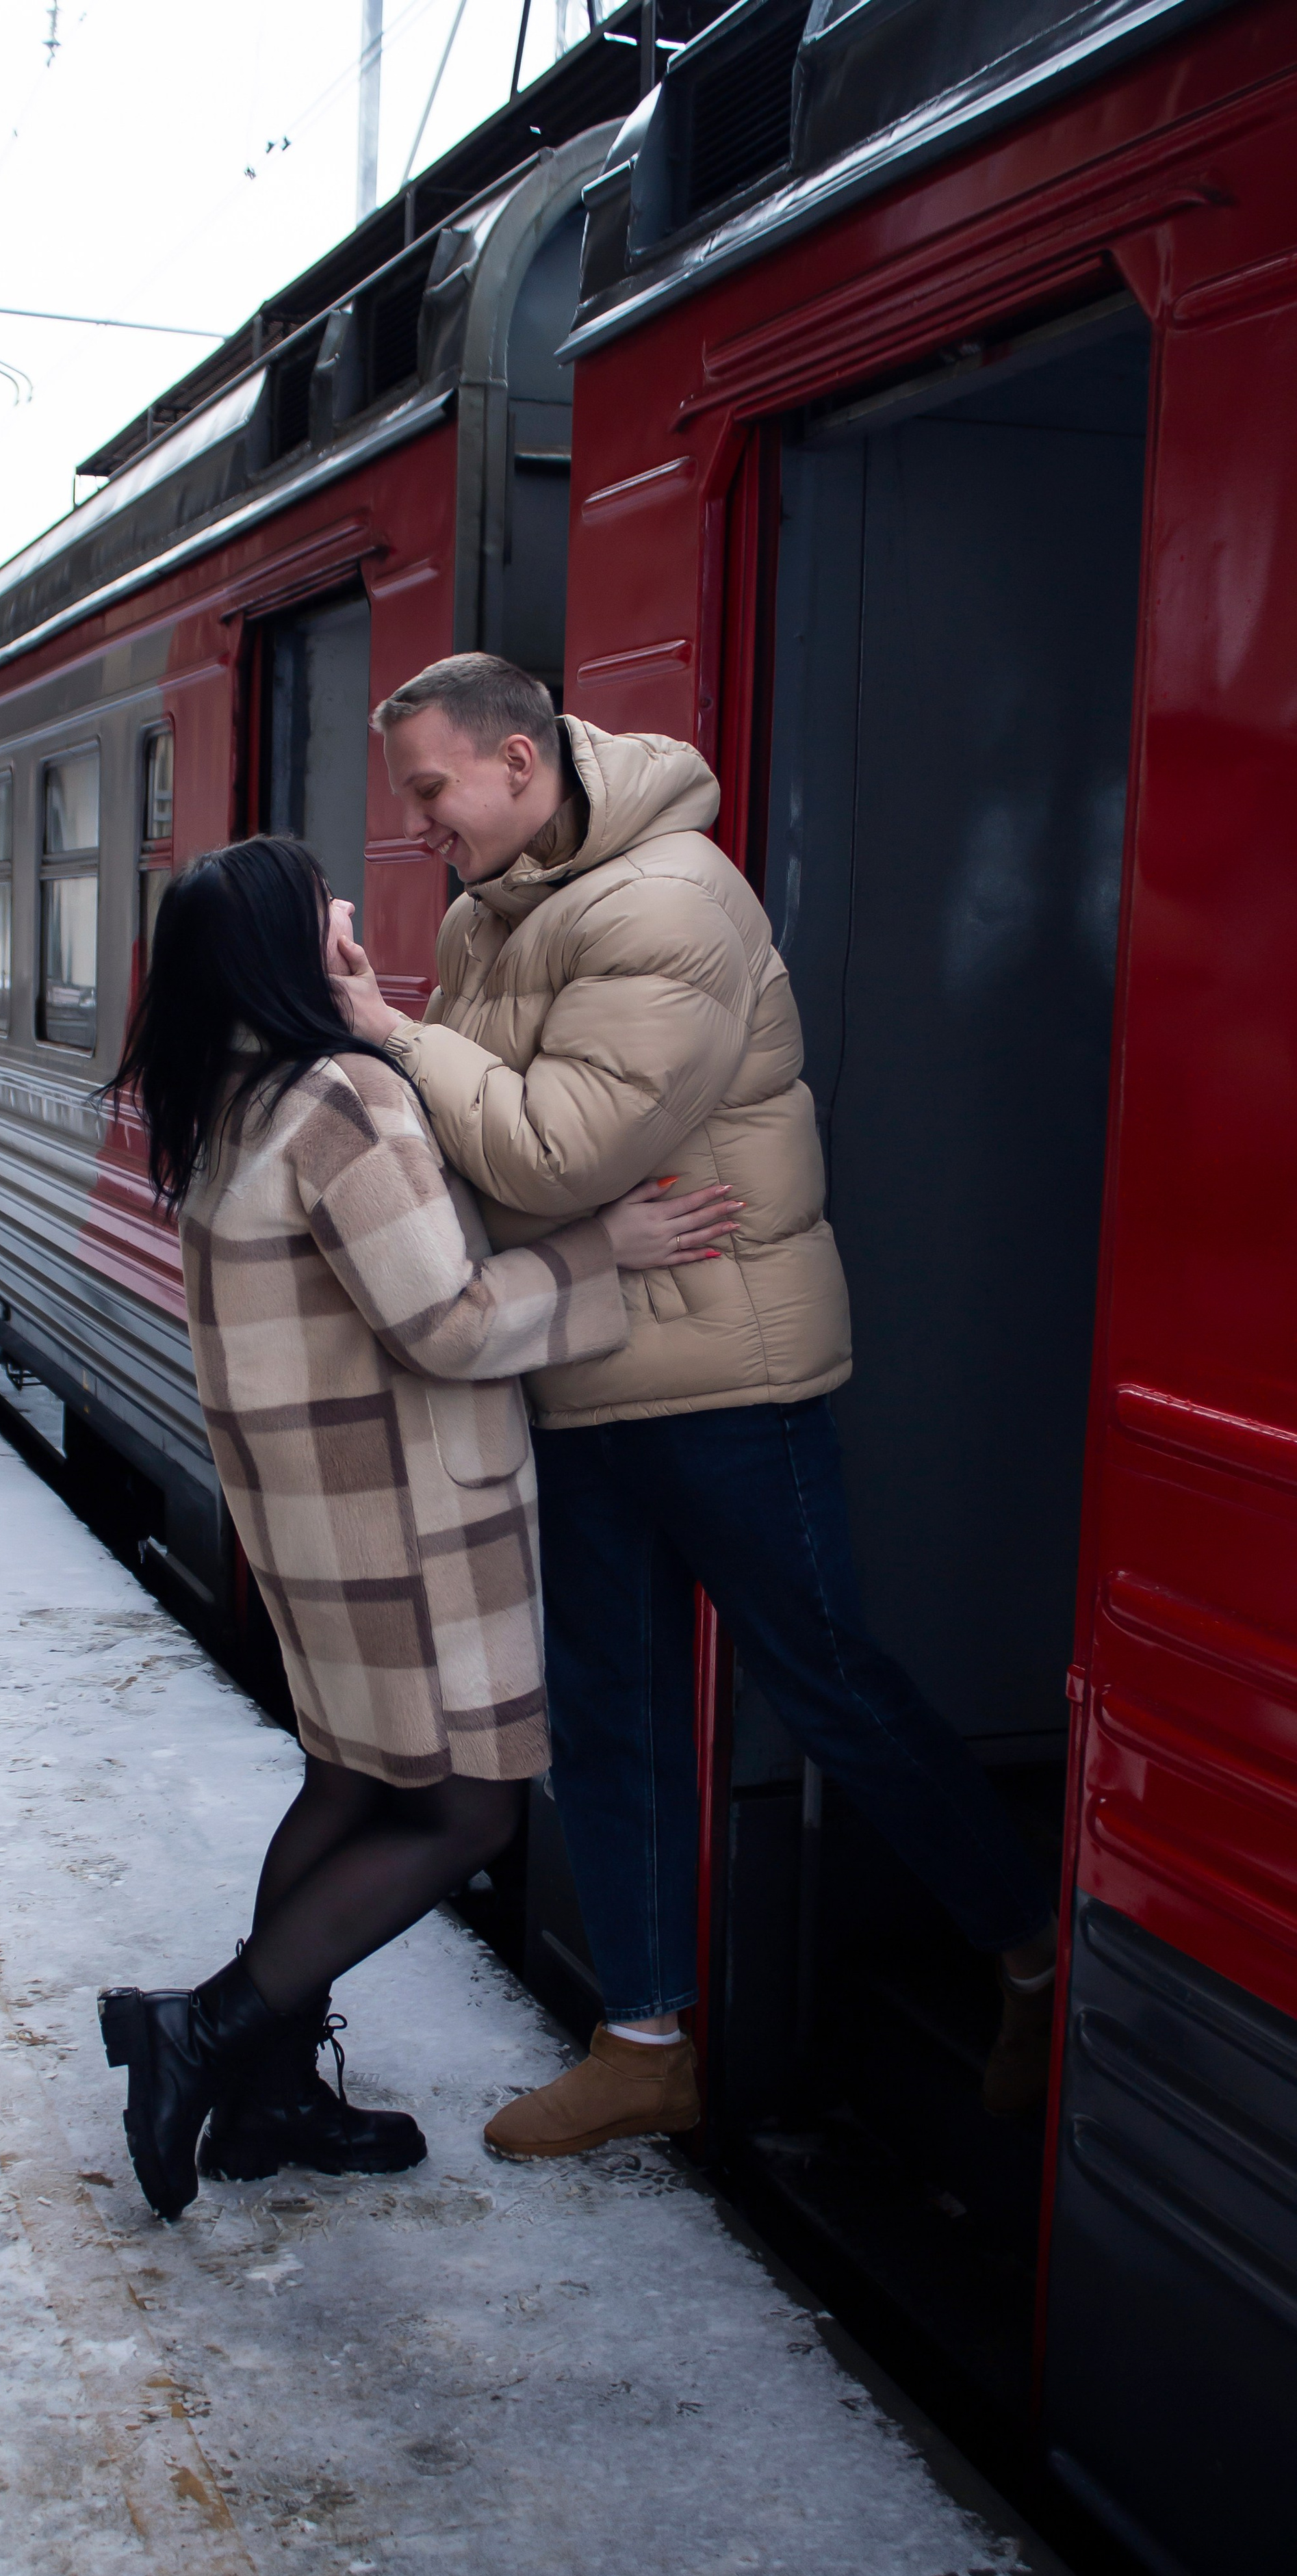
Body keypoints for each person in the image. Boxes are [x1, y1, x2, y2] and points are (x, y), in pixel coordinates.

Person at [331, 653, 1060, 2155]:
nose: (419, 831)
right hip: (579, 1367)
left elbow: (545, 1154)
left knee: (829, 1685)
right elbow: (475, 1150)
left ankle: (1031, 1947)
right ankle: (642, 2042)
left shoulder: (669, 902)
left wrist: (396, 1036)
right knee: (611, 1712)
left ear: (520, 764)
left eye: (430, 792)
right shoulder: (492, 914)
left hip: (726, 1378)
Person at [96, 833, 740, 2220]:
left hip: (315, 1529)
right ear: (287, 948)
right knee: (465, 1813)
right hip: (406, 1528)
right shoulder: (339, 1100)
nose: (352, 914)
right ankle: (201, 2034)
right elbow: (444, 1322)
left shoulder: (227, 1096)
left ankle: (268, 2098)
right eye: (327, 907)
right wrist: (598, 1254)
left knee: (346, 1782)